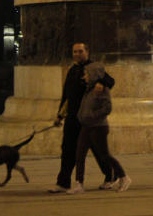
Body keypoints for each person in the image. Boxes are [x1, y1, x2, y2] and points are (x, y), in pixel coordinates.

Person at [49, 42, 117, 193]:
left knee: (99, 151)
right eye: (75, 52)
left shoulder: (93, 68)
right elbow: (67, 96)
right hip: (73, 117)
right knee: (67, 150)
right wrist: (60, 115)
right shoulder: (72, 70)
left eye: (80, 51)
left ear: (87, 52)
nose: (77, 54)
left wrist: (100, 82)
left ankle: (110, 176)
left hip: (88, 118)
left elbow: (110, 81)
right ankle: (63, 182)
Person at [67, 62, 130, 193]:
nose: (84, 76)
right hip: (86, 126)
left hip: (98, 127)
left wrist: (91, 115)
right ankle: (79, 183)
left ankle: (124, 177)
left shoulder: (101, 89)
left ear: (93, 74)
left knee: (105, 155)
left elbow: (107, 108)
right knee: (80, 154)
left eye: (86, 74)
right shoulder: (89, 88)